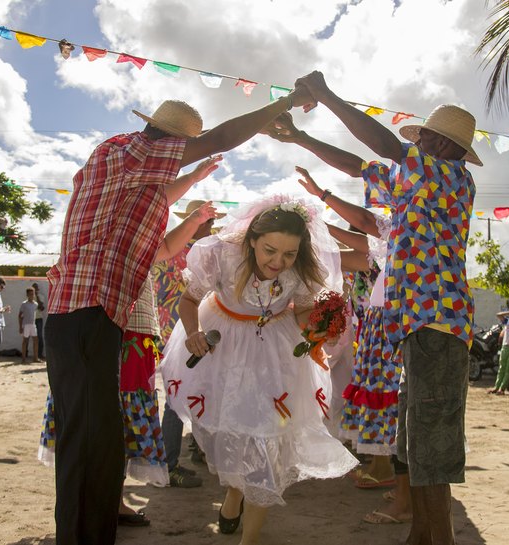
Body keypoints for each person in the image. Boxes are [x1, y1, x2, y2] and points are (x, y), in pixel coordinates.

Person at [44, 86, 314, 545]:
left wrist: (193, 196)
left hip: (102, 316)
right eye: (183, 151)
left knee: (103, 438)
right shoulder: (126, 151)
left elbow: (165, 248)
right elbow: (222, 137)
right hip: (81, 309)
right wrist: (280, 105)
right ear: (166, 140)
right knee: (88, 437)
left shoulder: (139, 192)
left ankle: (95, 530)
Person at [265, 71, 480, 545]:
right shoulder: (415, 180)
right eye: (420, 134)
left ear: (447, 148)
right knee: (415, 436)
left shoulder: (449, 177)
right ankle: (422, 534)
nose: (418, 138)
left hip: (438, 320)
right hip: (414, 323)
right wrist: (302, 136)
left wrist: (326, 97)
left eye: (426, 135)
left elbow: (384, 146)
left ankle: (436, 537)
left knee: (432, 436)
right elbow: (361, 167)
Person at [159, 195, 358, 545]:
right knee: (236, 433)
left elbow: (301, 311)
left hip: (276, 357)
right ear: (252, 239)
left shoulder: (301, 269)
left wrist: (319, 326)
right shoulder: (222, 255)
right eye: (270, 250)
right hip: (226, 353)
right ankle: (235, 493)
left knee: (268, 442)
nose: (278, 262)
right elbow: (188, 300)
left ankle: (249, 539)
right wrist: (193, 333)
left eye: (289, 254)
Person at [39, 201, 220, 528]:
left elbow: (162, 255)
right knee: (106, 416)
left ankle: (112, 499)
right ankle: (100, 501)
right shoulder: (106, 241)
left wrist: (194, 218)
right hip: (118, 332)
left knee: (120, 419)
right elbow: (165, 256)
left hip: (138, 334)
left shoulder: (134, 243)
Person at [291, 166, 411, 523]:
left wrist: (320, 200)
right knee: (384, 402)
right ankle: (398, 484)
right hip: (377, 331)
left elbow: (358, 226)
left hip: (390, 332)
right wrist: (308, 223)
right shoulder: (387, 245)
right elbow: (343, 250)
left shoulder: (404, 232)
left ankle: (401, 490)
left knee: (393, 405)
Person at [154, 199, 226, 487]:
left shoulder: (169, 251)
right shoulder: (184, 255)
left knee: (197, 389)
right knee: (176, 397)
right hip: (184, 332)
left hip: (181, 329)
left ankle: (195, 448)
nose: (210, 228)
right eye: (206, 222)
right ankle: (169, 464)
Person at [19, 288, 40, 364]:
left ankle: (35, 357)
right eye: (30, 294)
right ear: (27, 295)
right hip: (26, 324)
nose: (32, 295)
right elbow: (20, 315)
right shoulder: (24, 304)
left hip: (33, 324)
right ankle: (23, 358)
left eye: (33, 294)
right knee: (25, 341)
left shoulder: (35, 304)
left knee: (36, 340)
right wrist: (20, 326)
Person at [32, 282, 46, 361]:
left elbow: (41, 307)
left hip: (38, 318)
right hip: (31, 319)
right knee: (29, 337)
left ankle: (40, 354)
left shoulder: (41, 296)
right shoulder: (29, 297)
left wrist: (37, 296)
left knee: (40, 336)